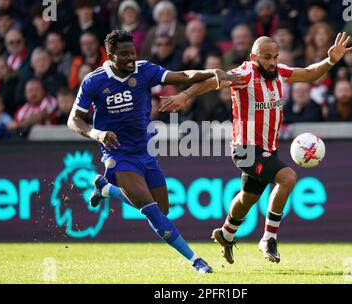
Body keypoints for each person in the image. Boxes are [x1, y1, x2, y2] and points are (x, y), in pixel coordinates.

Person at [159, 32, 352, 264]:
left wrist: (330, 60)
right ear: (254, 57)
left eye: (275, 56)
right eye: (267, 57)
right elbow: (212, 82)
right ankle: (268, 238)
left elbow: (311, 73)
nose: (272, 62)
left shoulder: (280, 73)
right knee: (288, 177)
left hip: (267, 150)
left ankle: (226, 233)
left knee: (248, 198)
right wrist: (185, 95)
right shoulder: (245, 74)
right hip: (245, 149)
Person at [67, 29, 237, 273]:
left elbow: (184, 76)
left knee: (163, 210)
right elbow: (74, 120)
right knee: (153, 213)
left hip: (144, 152)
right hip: (117, 155)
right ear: (109, 56)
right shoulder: (94, 81)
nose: (130, 59)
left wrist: (212, 72)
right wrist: (96, 133)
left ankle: (106, 190)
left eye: (132, 53)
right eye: (123, 54)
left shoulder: (144, 70)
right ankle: (195, 260)